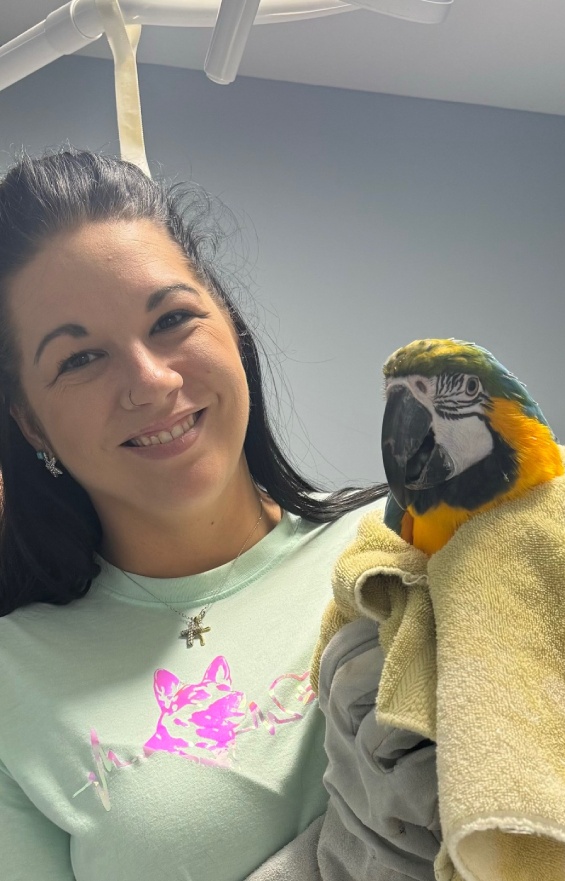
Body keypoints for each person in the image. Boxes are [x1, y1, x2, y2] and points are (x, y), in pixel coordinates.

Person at [0, 149, 385, 881]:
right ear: (31, 425)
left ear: (231, 328)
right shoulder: (13, 676)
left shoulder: (398, 544)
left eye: (172, 318)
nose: (150, 381)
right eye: (80, 359)